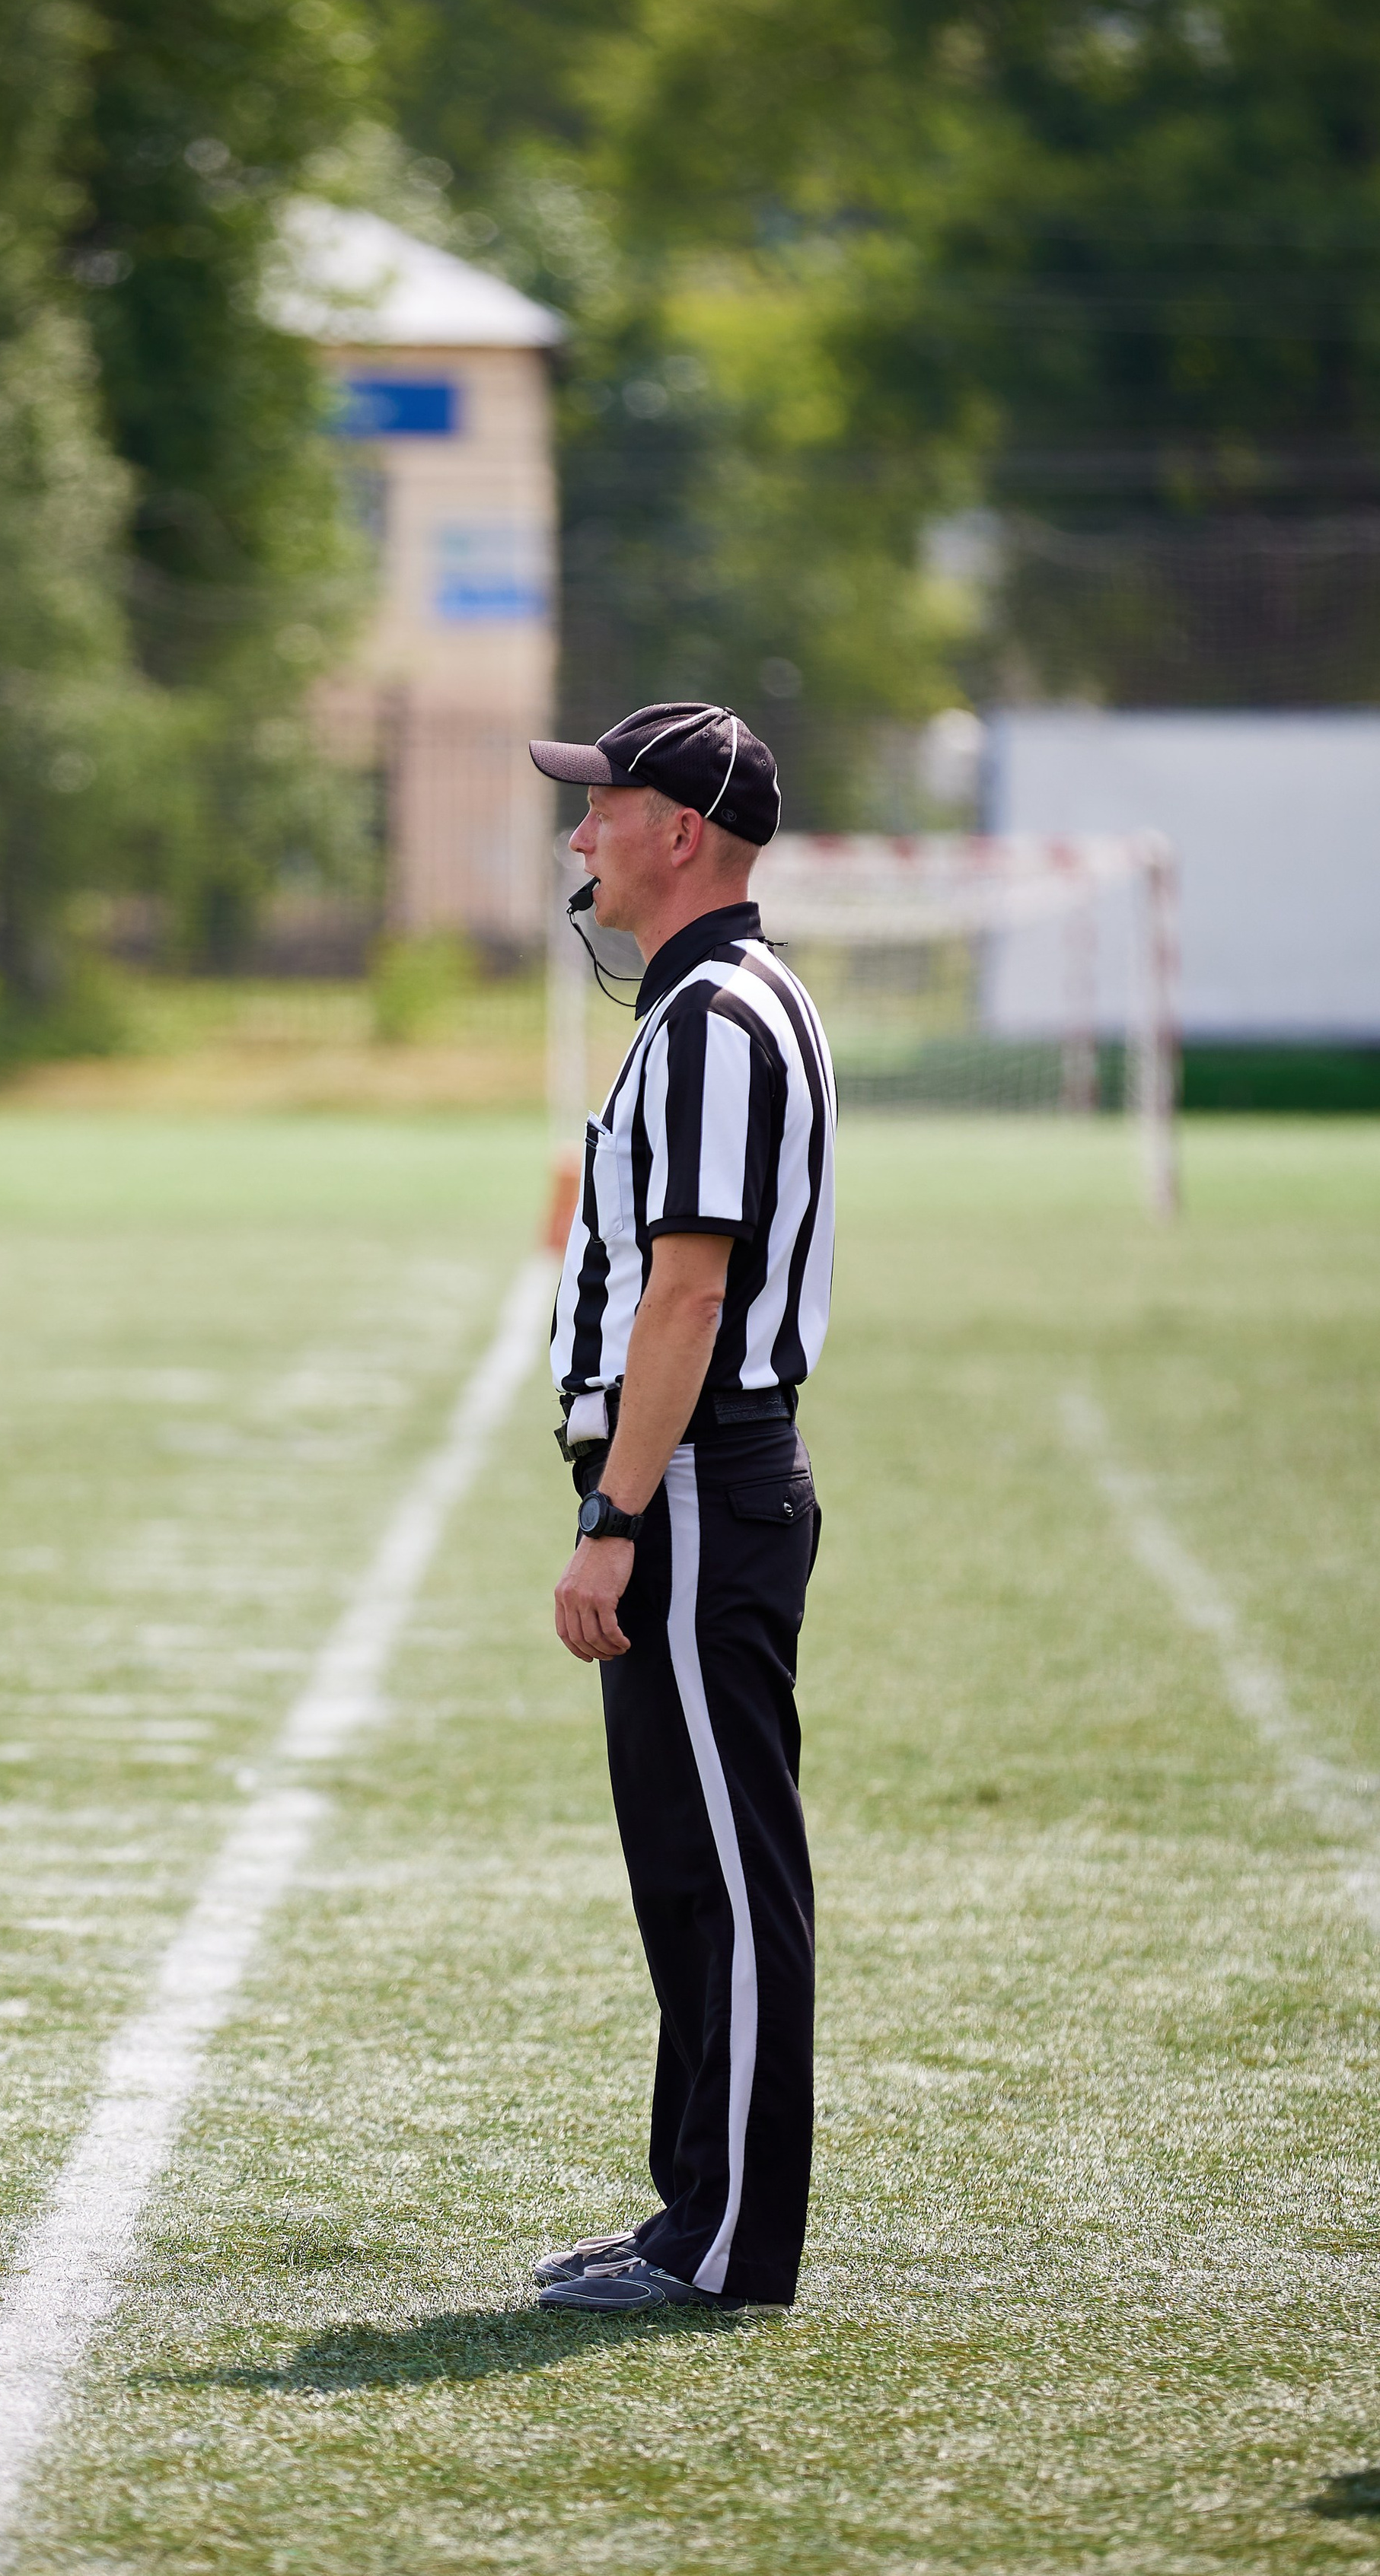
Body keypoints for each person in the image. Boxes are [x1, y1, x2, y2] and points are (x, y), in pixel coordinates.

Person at [525, 701, 836, 2316]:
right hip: (687, 1479)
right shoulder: (699, 1003)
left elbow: (689, 1297)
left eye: (604, 807)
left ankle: (728, 2247)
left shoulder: (719, 1014)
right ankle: (687, 2210)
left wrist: (618, 1516)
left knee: (725, 1863)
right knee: (682, 1865)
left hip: (699, 1476)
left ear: (682, 832)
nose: (580, 836)